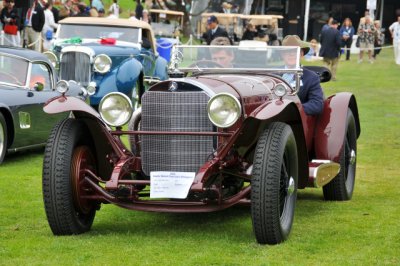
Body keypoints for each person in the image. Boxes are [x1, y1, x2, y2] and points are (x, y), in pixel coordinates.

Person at [281, 35, 324, 116]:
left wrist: (293, 110)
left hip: (296, 122)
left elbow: (317, 104)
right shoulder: (272, 73)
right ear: (282, 54)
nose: (291, 54)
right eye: (287, 51)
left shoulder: (312, 77)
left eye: (294, 51)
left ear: (301, 54)